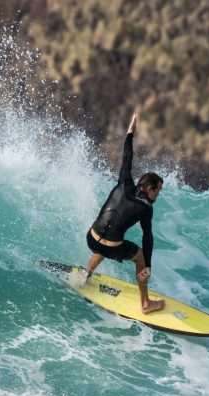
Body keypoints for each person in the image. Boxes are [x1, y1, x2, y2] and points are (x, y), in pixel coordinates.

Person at [84, 112, 166, 314]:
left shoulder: (124, 181)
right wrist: (147, 264)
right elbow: (148, 237)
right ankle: (145, 303)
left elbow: (127, 155)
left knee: (104, 241)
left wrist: (131, 130)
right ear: (149, 188)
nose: (158, 194)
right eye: (158, 190)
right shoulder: (146, 208)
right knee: (137, 255)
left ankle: (85, 275)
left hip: (91, 238)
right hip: (112, 247)